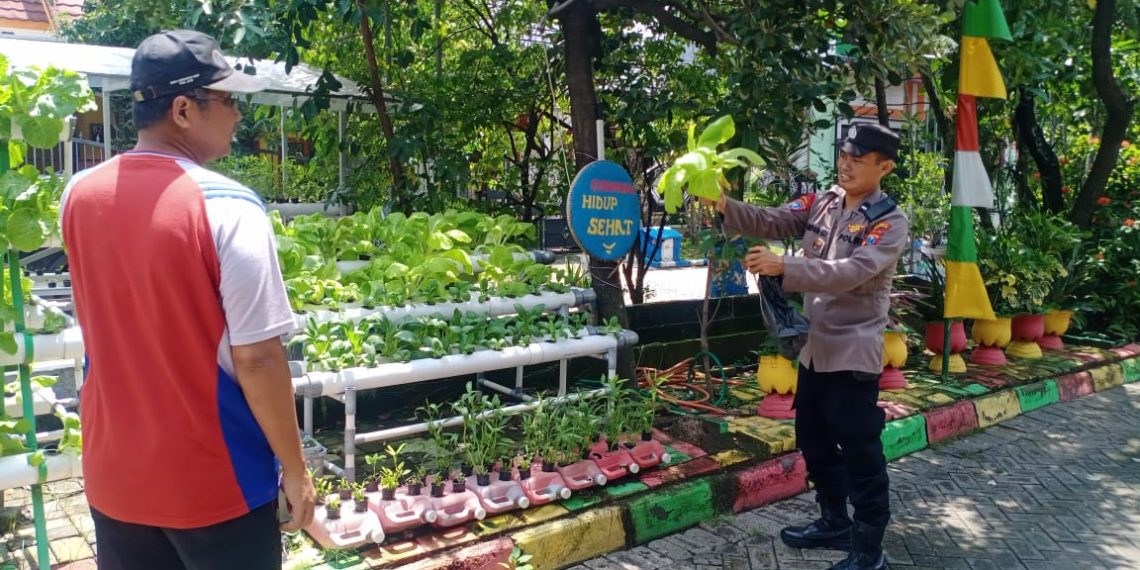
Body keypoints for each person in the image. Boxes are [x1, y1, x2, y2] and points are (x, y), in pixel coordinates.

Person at [61, 30, 315, 569]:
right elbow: (258, 357)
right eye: (227, 100)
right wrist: (295, 470)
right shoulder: (229, 207)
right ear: (182, 109)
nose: (238, 115)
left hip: (115, 472)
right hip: (213, 480)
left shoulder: (78, 195)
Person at [709, 122, 908, 570]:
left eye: (858, 159)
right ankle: (834, 522)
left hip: (852, 353)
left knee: (860, 450)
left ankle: (869, 549)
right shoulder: (824, 201)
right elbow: (775, 219)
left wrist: (785, 266)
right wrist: (724, 204)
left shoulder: (889, 222)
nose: (846, 165)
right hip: (814, 349)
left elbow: (850, 273)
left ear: (885, 167)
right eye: (844, 155)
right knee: (814, 441)